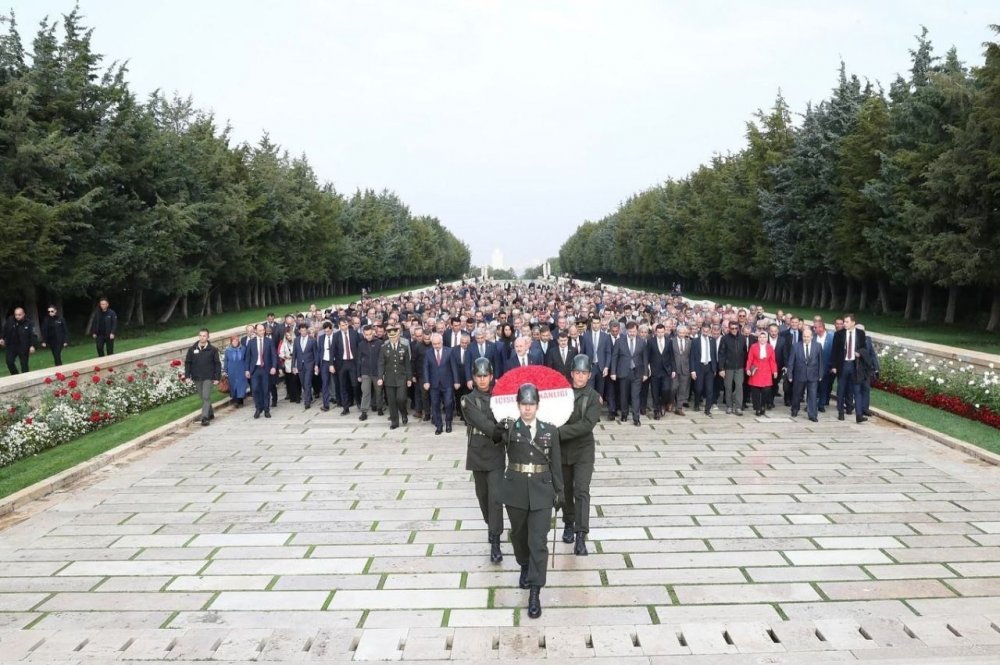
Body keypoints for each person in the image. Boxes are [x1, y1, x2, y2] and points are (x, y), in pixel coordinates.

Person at [501, 383, 563, 620]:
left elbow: (556, 463)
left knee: (538, 541)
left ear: (537, 406)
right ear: (518, 405)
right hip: (515, 490)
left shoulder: (550, 431)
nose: (527, 408)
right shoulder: (509, 429)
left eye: (531, 404)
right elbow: (493, 437)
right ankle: (524, 564)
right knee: (519, 535)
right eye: (524, 404)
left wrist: (560, 491)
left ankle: (535, 592)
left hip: (542, 491)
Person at [461, 357, 508, 563]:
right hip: (478, 453)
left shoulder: (501, 398)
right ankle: (491, 526)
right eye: (479, 376)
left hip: (496, 453)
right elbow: (484, 424)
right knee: (483, 497)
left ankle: (496, 541)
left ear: (491, 376)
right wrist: (502, 431)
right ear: (474, 377)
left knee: (496, 499)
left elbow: (508, 419)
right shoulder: (468, 400)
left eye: (485, 376)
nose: (482, 380)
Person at [558, 354, 601, 556]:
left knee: (581, 491)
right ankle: (568, 523)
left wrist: (559, 432)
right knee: (565, 491)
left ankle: (581, 534)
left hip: (583, 449)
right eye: (577, 372)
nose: (580, 376)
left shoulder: (593, 397)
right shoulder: (562, 394)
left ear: (589, 375)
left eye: (584, 373)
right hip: (563, 450)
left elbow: (586, 425)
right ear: (572, 374)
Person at [610, 320, 648, 426]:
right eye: (630, 331)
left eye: (634, 331)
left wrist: (646, 373)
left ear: (637, 331)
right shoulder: (619, 341)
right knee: (624, 395)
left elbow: (645, 358)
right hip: (623, 372)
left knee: (635, 396)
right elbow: (614, 357)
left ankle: (636, 418)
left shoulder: (641, 342)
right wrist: (613, 372)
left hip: (637, 372)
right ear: (626, 331)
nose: (632, 333)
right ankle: (624, 414)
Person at [831, 314, 868, 423]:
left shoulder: (860, 333)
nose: (844, 324)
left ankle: (859, 415)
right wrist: (834, 366)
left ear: (853, 323)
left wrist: (860, 353)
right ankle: (841, 412)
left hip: (855, 365)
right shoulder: (839, 334)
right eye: (844, 322)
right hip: (843, 365)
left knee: (857, 390)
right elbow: (834, 351)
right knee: (841, 389)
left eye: (847, 322)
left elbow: (864, 348)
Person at [182, 328, 221, 426]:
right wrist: (187, 376)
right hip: (197, 377)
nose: (202, 337)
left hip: (208, 377)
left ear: (208, 337)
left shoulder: (213, 350)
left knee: (206, 396)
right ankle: (210, 413)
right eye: (200, 335)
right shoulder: (192, 349)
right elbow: (188, 363)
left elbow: (217, 364)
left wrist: (217, 377)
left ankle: (204, 417)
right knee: (203, 397)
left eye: (204, 336)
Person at [377, 323, 412, 429]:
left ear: (398, 336)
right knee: (392, 401)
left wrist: (409, 378)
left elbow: (407, 365)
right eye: (391, 337)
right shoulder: (384, 348)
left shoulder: (404, 348)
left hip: (401, 378)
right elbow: (381, 364)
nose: (393, 339)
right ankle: (394, 422)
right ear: (388, 337)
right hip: (389, 378)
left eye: (395, 337)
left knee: (401, 399)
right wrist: (380, 377)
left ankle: (404, 413)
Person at [785, 327, 824, 422]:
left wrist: (820, 374)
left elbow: (821, 361)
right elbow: (791, 361)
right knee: (796, 394)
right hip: (799, 374)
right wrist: (789, 374)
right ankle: (795, 409)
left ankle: (812, 414)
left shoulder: (817, 346)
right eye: (804, 336)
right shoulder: (795, 346)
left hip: (813, 375)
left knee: (813, 395)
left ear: (812, 337)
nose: (806, 338)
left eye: (808, 336)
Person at [423, 333, 455, 435]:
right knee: (435, 404)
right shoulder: (428, 353)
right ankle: (439, 426)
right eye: (434, 344)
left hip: (447, 382)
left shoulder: (449, 351)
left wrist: (456, 381)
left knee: (448, 403)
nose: (436, 346)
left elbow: (454, 367)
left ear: (442, 342)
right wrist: (426, 381)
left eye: (438, 343)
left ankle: (448, 423)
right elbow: (425, 368)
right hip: (434, 383)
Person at [245, 323, 277, 419]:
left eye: (263, 330)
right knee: (255, 389)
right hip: (255, 369)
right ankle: (258, 408)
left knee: (266, 389)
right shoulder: (251, 342)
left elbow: (274, 355)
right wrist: (247, 370)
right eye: (260, 330)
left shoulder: (269, 341)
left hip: (265, 369)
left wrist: (274, 367)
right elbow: (248, 357)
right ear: (255, 331)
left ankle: (266, 409)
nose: (262, 332)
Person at [746, 330, 778, 417]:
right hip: (756, 371)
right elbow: (750, 359)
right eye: (760, 337)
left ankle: (763, 405)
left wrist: (774, 371)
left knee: (766, 390)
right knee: (755, 392)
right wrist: (748, 369)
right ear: (758, 338)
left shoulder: (770, 347)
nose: (762, 339)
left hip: (766, 371)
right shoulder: (753, 347)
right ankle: (757, 408)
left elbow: (772, 361)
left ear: (767, 338)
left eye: (764, 337)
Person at [718, 320, 747, 416]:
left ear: (738, 328)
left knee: (739, 387)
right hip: (728, 367)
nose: (734, 330)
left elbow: (745, 352)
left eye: (736, 328)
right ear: (729, 329)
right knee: (728, 387)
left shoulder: (742, 338)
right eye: (732, 328)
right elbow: (721, 354)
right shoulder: (724, 339)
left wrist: (745, 366)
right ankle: (729, 406)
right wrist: (721, 368)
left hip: (739, 367)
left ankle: (738, 407)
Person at [332, 318, 360, 415]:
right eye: (342, 325)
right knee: (342, 386)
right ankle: (345, 407)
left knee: (355, 384)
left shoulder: (354, 334)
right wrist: (331, 364)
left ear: (348, 324)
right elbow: (332, 350)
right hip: (341, 364)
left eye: (346, 325)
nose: (344, 327)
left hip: (353, 362)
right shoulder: (336, 336)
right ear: (339, 326)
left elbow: (359, 347)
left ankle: (358, 402)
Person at [690, 323, 718, 416]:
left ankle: (707, 409)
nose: (705, 332)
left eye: (707, 331)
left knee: (710, 389)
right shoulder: (695, 341)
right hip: (699, 367)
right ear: (701, 330)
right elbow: (692, 356)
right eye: (704, 331)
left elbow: (714, 355)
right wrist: (692, 370)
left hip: (709, 367)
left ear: (710, 331)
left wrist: (714, 368)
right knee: (699, 388)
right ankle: (696, 404)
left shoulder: (712, 341)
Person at [647, 323, 674, 419]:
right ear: (655, 332)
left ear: (664, 331)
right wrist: (648, 368)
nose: (660, 334)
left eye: (662, 332)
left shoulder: (669, 341)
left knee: (666, 389)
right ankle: (656, 411)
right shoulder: (651, 341)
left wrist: (673, 370)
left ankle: (662, 404)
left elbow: (672, 356)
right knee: (655, 392)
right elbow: (647, 356)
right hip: (655, 370)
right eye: (658, 332)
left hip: (666, 370)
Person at [357, 324, 383, 421]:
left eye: (370, 334)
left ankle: (379, 407)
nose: (368, 336)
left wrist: (382, 373)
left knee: (378, 391)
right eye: (366, 334)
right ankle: (364, 412)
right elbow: (359, 360)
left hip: (377, 371)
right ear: (363, 335)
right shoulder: (361, 344)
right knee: (365, 391)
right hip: (365, 372)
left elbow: (382, 359)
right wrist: (358, 374)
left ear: (373, 333)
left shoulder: (379, 343)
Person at [1, 307, 36, 375]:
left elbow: (33, 335)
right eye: (16, 315)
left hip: (23, 346)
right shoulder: (10, 320)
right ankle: (16, 375)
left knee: (24, 365)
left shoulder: (29, 323)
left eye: (19, 315)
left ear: (23, 314)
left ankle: (25, 378)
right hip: (11, 346)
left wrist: (32, 345)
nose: (17, 316)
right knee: (9, 362)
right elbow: (5, 330)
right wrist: (2, 338)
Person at [292, 322, 319, 409]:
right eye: (301, 330)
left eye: (304, 330)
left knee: (307, 382)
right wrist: (293, 366)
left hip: (309, 364)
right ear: (299, 331)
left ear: (307, 330)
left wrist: (316, 365)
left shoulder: (312, 340)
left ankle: (307, 402)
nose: (303, 332)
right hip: (300, 365)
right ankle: (309, 396)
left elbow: (316, 354)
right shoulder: (296, 340)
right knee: (303, 383)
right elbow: (294, 354)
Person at [671, 325, 692, 416]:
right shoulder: (672, 341)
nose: (682, 334)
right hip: (674, 369)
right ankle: (670, 402)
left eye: (683, 333)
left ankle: (679, 408)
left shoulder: (689, 342)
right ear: (677, 332)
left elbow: (691, 356)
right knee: (673, 387)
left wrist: (691, 369)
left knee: (682, 389)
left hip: (685, 369)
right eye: (680, 332)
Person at [222, 335, 248, 407]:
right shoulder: (228, 350)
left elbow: (246, 359)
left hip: (241, 369)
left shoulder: (243, 349)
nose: (235, 342)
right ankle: (236, 401)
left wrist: (246, 369)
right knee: (233, 385)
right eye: (233, 341)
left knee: (241, 385)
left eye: (236, 341)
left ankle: (240, 401)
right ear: (231, 342)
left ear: (238, 341)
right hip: (231, 370)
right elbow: (226, 361)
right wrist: (225, 370)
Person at [317, 321, 337, 411]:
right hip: (324, 362)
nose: (327, 333)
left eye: (328, 331)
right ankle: (326, 404)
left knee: (335, 382)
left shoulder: (336, 337)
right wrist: (317, 364)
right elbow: (319, 351)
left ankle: (337, 399)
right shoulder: (321, 338)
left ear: (331, 329)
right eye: (325, 331)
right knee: (325, 383)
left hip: (334, 362)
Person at [277, 328, 300, 404]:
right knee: (290, 381)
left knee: (296, 380)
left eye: (289, 335)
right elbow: (280, 353)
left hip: (296, 363)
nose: (288, 337)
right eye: (287, 335)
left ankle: (298, 396)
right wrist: (285, 357)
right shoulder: (284, 343)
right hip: (288, 363)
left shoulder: (296, 342)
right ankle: (292, 396)